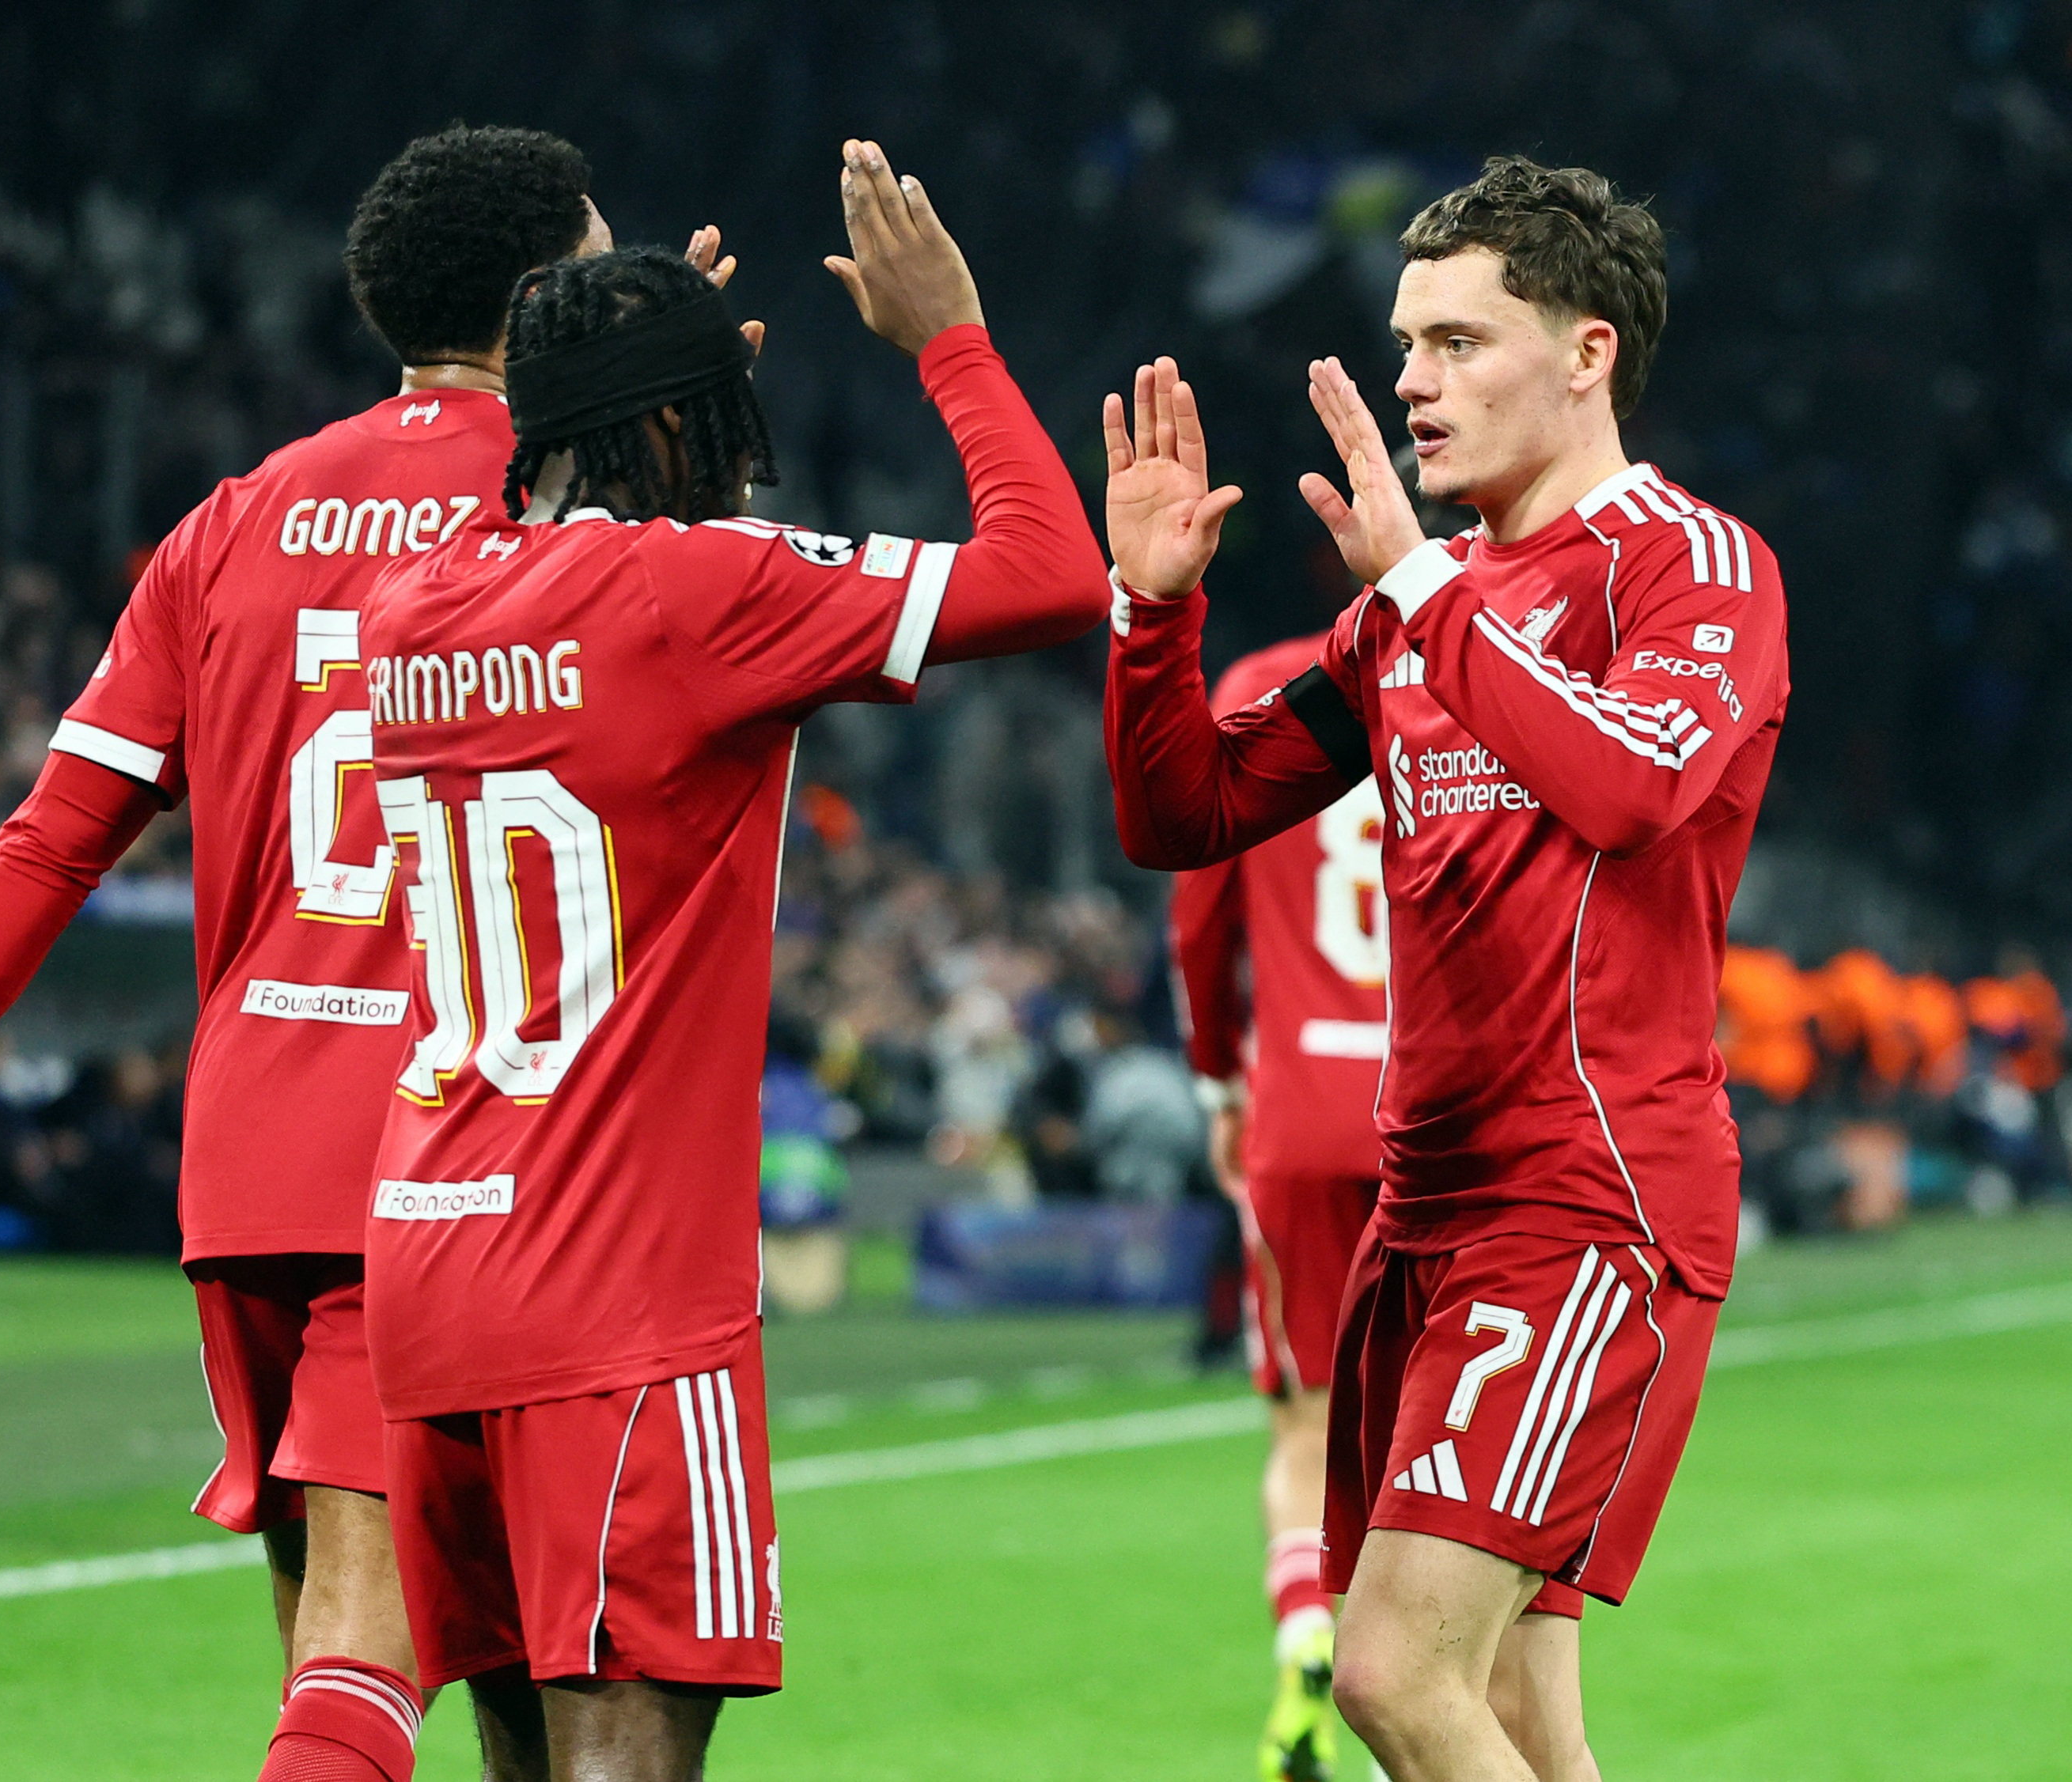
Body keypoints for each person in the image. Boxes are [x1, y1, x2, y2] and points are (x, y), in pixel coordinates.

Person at [0, 125, 733, 1782]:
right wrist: (665, 414)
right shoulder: (577, 513)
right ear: (549, 295)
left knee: (472, 1667)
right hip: (456, 1148)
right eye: (601, 260)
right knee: (365, 1668)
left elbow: (50, 834)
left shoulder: (236, 520)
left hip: (248, 1160)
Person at [359, 140, 1104, 1782]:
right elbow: (1054, 573)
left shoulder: (410, 606)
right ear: (689, 432)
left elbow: (556, 521)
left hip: (425, 1266)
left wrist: (631, 369)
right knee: (626, 1752)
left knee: (515, 1757)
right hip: (616, 1295)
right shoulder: (700, 590)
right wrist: (950, 345)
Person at [1099, 155, 1789, 1781]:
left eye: (1461, 341)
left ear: (1587, 352)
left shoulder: (1692, 565)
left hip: (1587, 1195)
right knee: (1528, 1718)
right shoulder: (1423, 611)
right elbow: (1184, 809)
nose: (1412, 378)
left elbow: (1626, 786)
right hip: (1427, 1214)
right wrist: (1149, 616)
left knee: (1395, 1670)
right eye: (1407, 340)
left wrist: (1417, 584)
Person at [1166, 633, 1388, 1781]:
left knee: (1307, 1427)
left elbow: (1200, 912)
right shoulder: (1478, 668)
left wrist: (1218, 1080)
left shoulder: (1259, 688)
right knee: (1436, 1438)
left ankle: (1308, 1636)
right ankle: (1433, 1677)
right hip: (1442, 1113)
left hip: (1298, 1107)